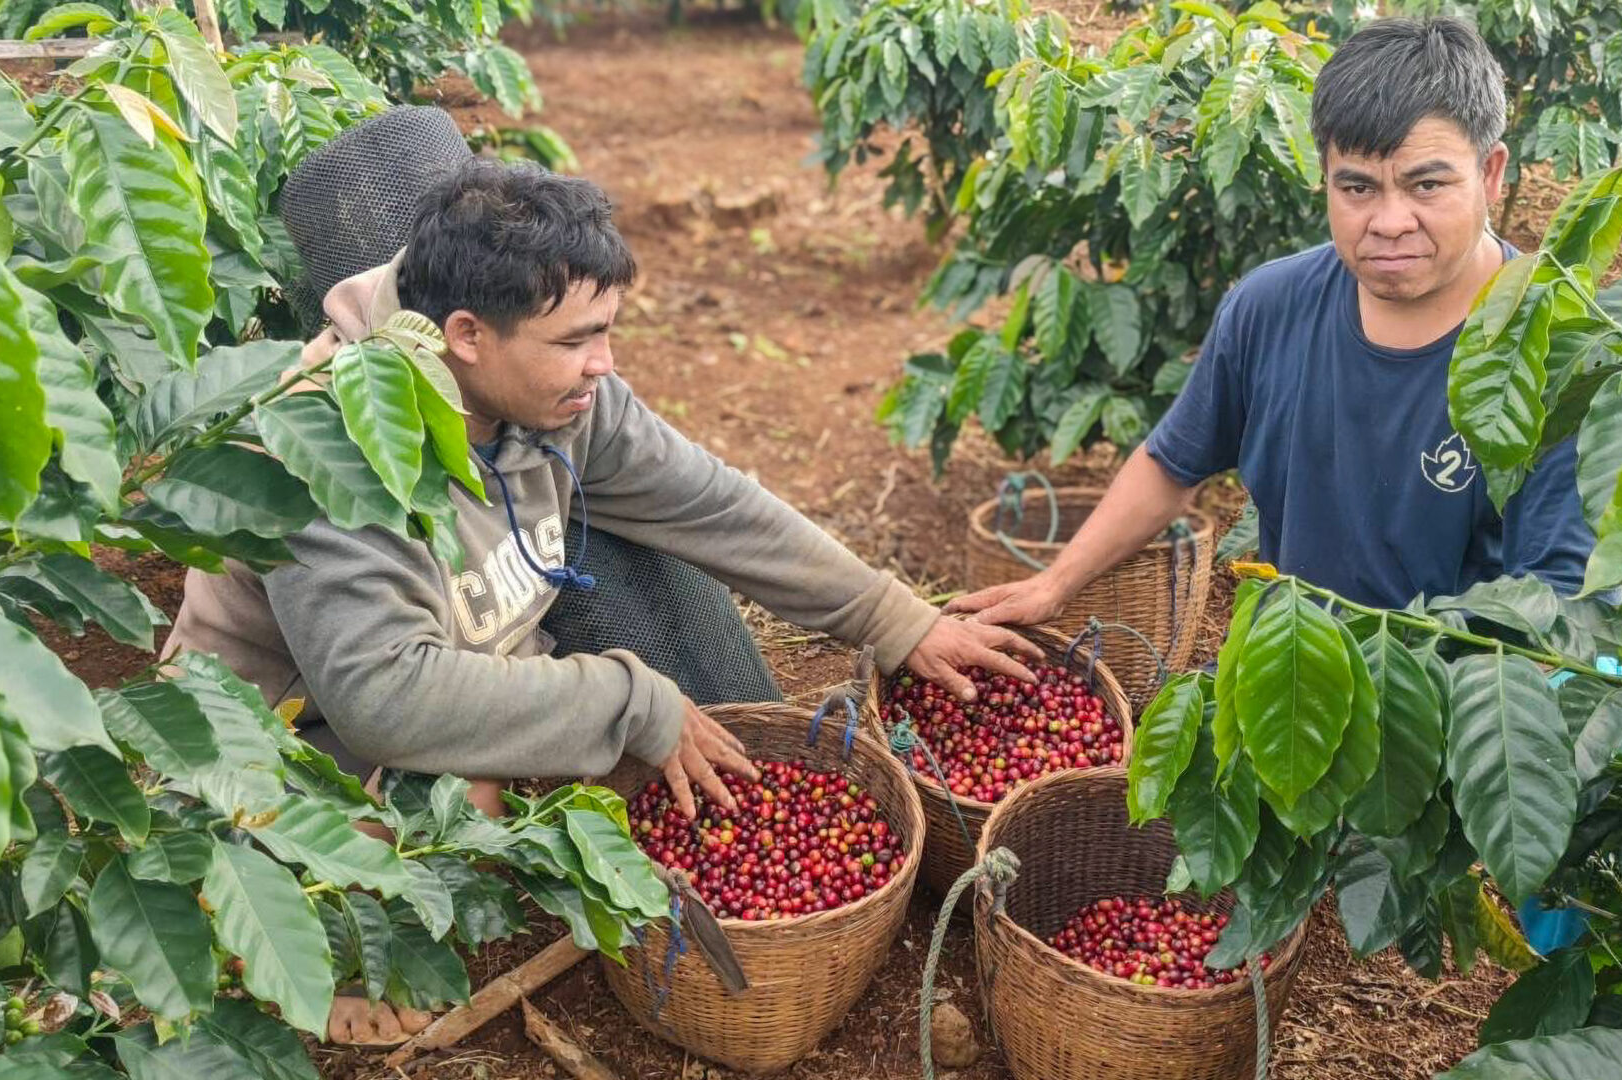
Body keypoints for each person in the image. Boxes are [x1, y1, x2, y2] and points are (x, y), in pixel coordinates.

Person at [167, 152, 1042, 1044]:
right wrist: (630, 702)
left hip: (451, 657)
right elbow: (382, 697)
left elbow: (710, 503)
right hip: (283, 730)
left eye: (608, 331)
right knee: (438, 832)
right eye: (577, 340)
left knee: (488, 797)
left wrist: (897, 620)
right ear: (467, 335)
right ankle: (313, 934)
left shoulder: (558, 395)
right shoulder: (332, 448)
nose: (604, 364)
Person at [952, 16, 1593, 632]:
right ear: (1325, 180)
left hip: (1453, 710)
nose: (1391, 221)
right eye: (1358, 188)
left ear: (1490, 172)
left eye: (1427, 186)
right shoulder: (1269, 307)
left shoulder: (1557, 353)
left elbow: (1561, 603)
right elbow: (1172, 464)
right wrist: (1054, 583)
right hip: (1294, 685)